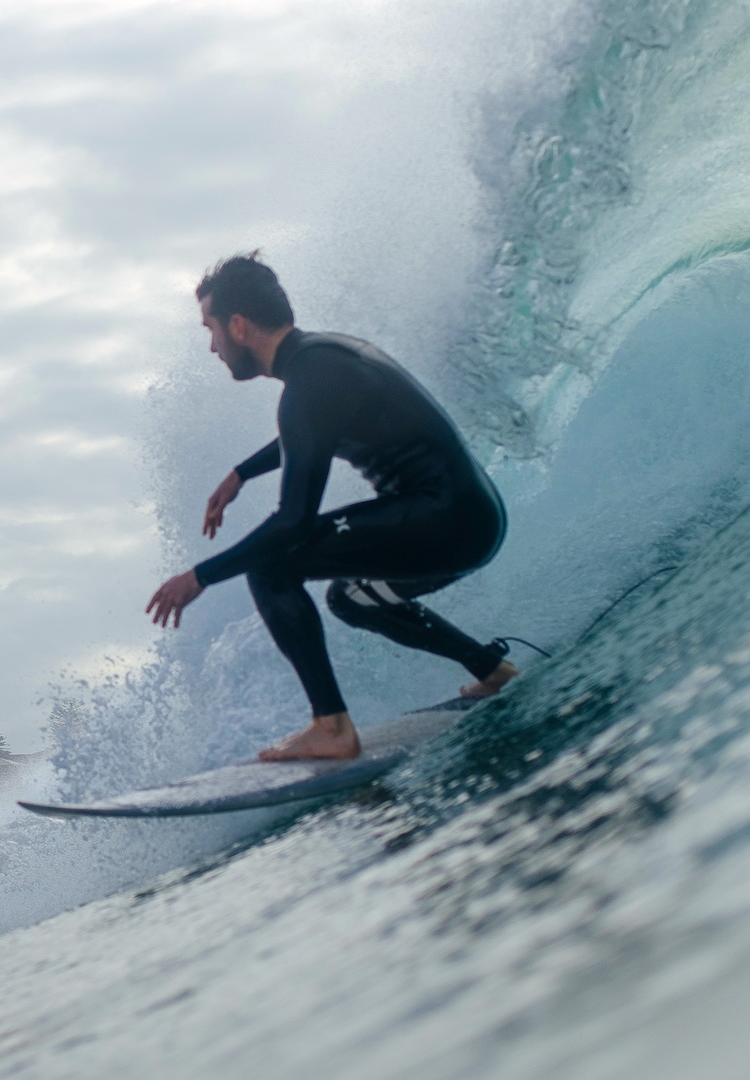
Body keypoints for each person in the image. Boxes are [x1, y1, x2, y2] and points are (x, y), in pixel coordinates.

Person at [146, 253, 518, 762]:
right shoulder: (321, 361)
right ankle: (491, 670)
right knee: (352, 597)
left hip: (449, 520)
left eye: (211, 330)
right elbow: (308, 433)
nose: (212, 346)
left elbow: (294, 520)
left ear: (239, 325)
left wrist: (200, 576)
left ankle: (331, 727)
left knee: (272, 563)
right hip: (467, 518)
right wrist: (241, 473)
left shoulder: (311, 383)